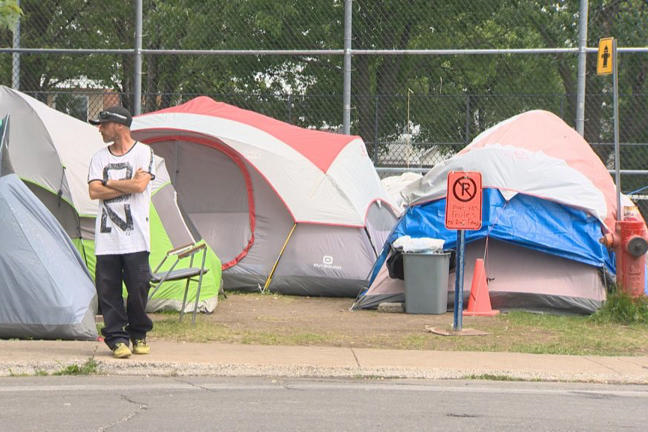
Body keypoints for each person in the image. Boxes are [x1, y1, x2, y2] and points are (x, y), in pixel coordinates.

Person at [87, 106, 156, 359]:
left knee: (138, 288)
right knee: (108, 291)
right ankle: (116, 338)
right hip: (107, 240)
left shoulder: (144, 152)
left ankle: (138, 333)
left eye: (103, 124)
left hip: (136, 238)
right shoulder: (98, 158)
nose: (100, 129)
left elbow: (140, 185)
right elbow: (94, 191)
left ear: (118, 125)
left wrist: (108, 182)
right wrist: (125, 186)